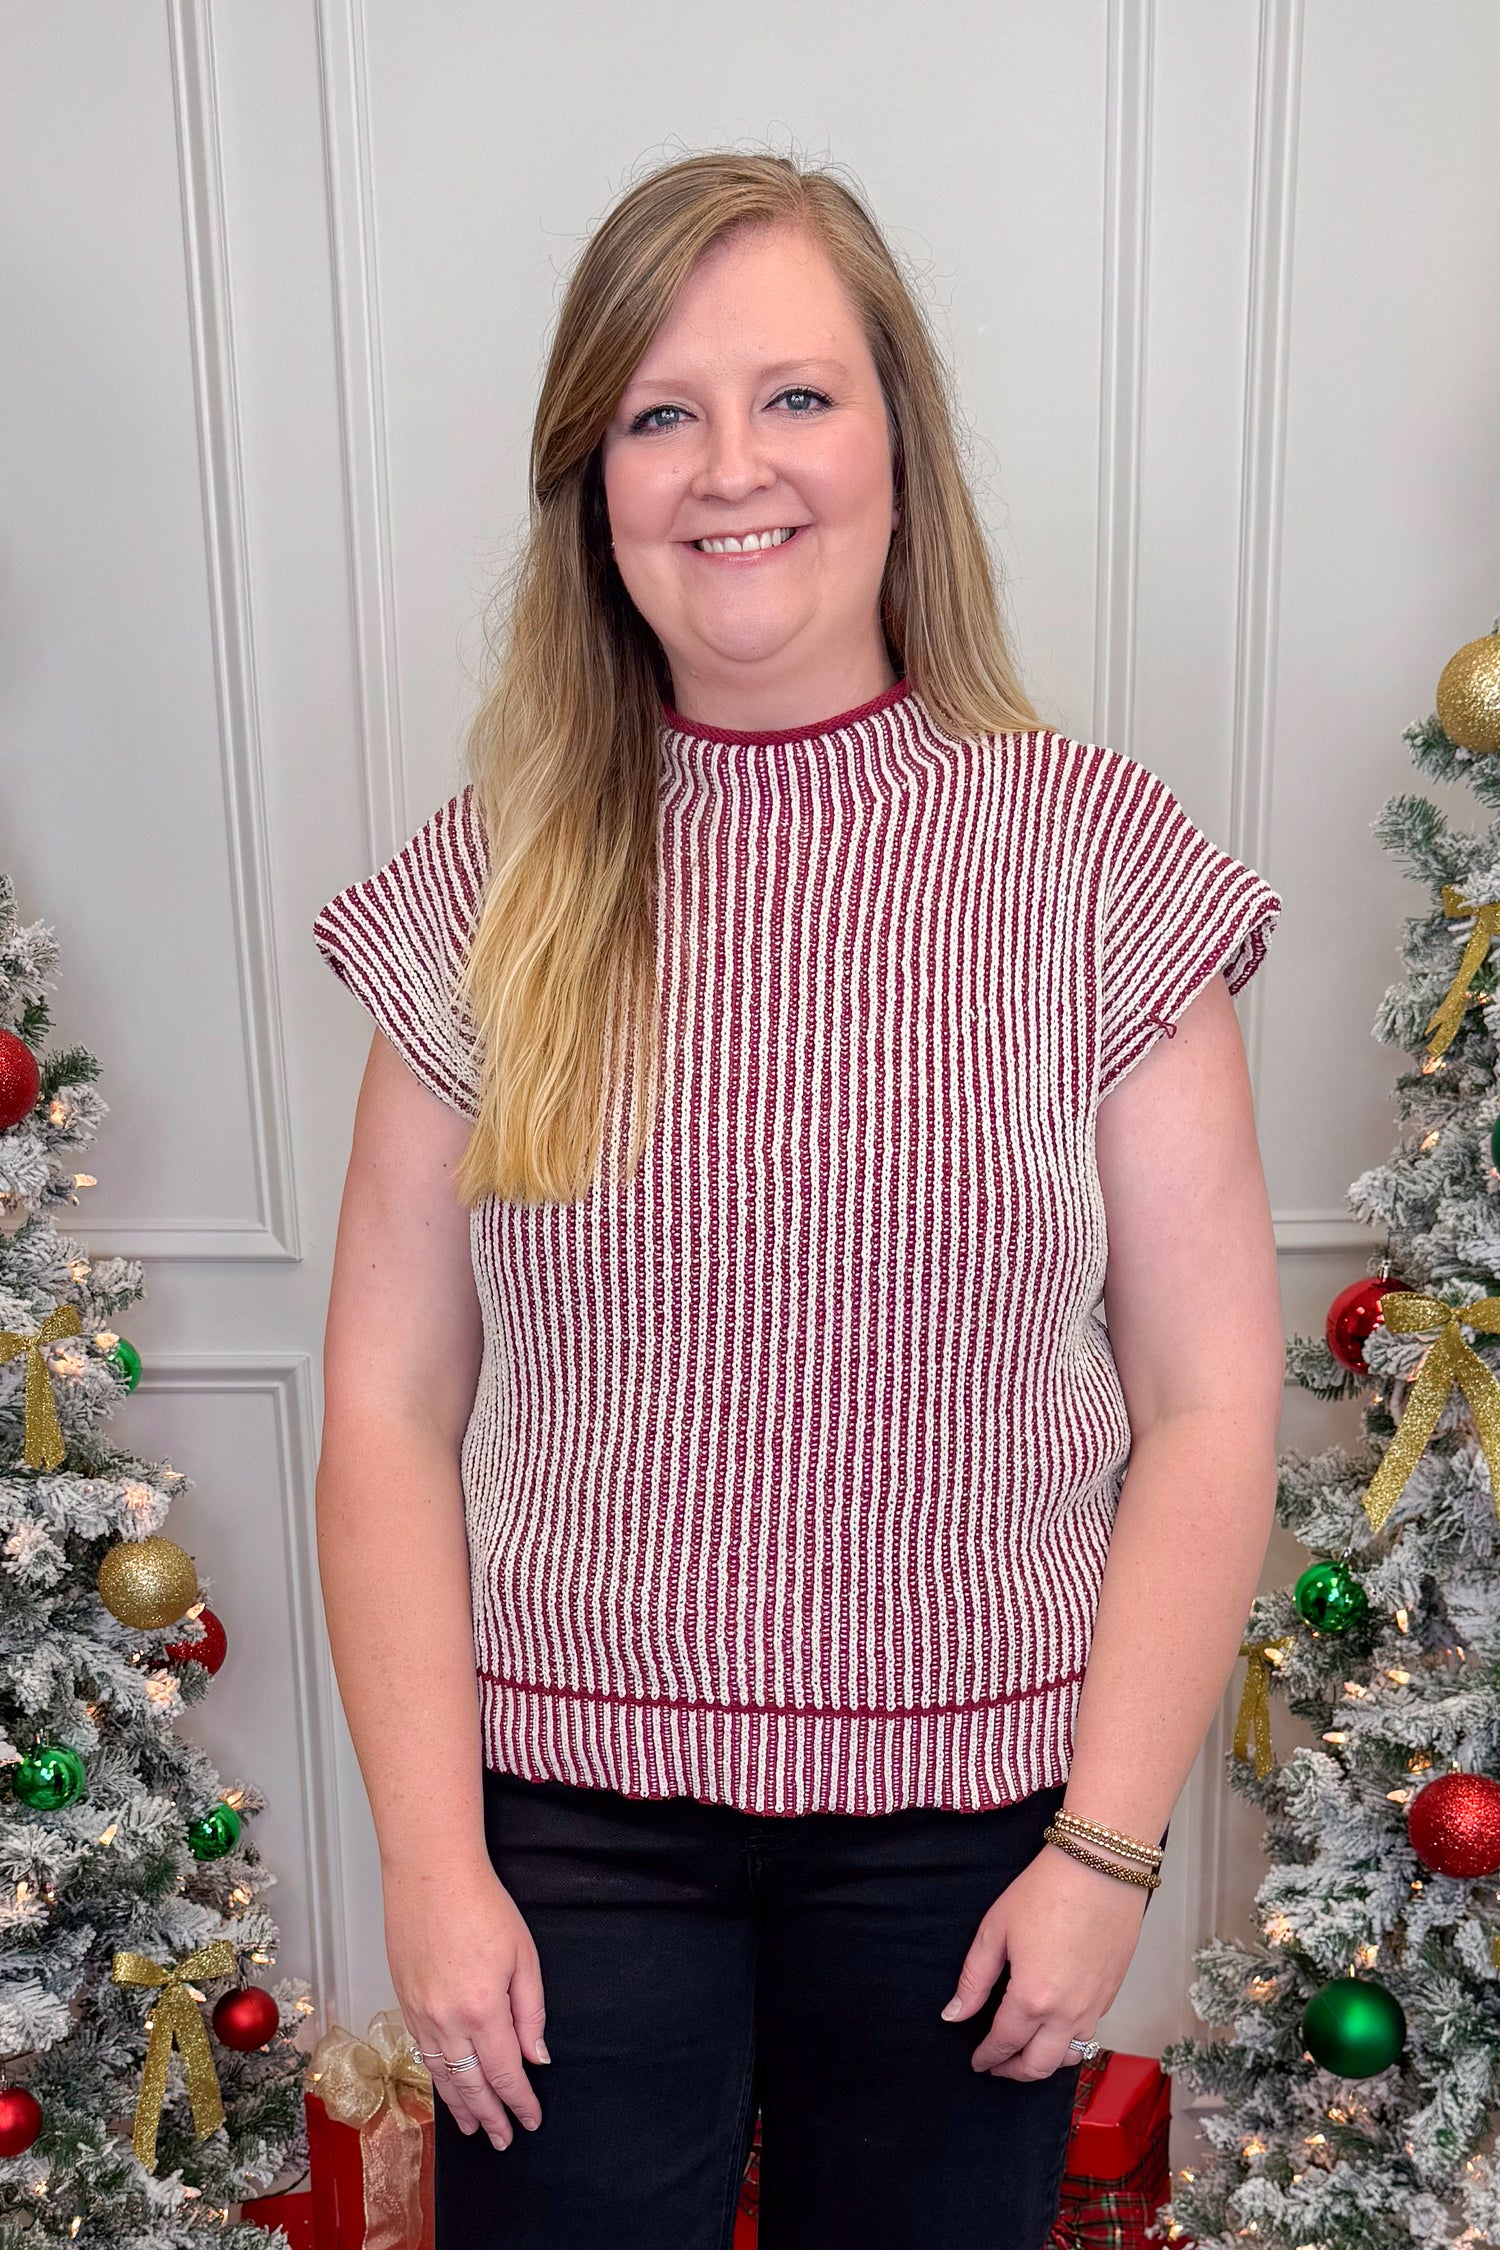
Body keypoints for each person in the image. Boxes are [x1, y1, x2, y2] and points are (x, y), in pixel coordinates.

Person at [311, 150, 1286, 2250]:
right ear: (595, 488)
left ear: (899, 450)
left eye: (796, 398)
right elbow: (386, 1411)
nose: (729, 467)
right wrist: (427, 1858)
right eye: (660, 414)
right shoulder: (490, 887)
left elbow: (1210, 1399)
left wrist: (1107, 1850)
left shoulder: (1097, 864)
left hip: (975, 1840)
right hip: (569, 1841)